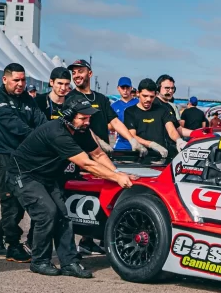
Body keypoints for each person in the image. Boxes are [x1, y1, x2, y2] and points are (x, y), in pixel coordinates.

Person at [8, 99, 136, 278]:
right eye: (83, 118)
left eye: (89, 118)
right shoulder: (57, 133)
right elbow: (87, 163)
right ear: (68, 117)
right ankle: (39, 261)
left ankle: (69, 263)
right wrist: (116, 178)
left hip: (47, 176)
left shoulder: (81, 130)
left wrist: (118, 173)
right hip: (23, 175)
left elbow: (97, 154)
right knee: (47, 213)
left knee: (63, 215)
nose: (87, 122)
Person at [66, 59, 146, 255]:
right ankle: (75, 242)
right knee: (79, 197)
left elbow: (114, 121)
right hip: (81, 155)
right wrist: (98, 143)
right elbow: (79, 126)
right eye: (74, 72)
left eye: (80, 71)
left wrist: (132, 140)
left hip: (100, 155)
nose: (76, 75)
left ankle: (91, 239)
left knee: (104, 192)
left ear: (90, 74)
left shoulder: (100, 98)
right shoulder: (72, 98)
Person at [0, 63, 46, 261]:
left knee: (21, 199)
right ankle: (13, 245)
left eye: (23, 80)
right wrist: (41, 139)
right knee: (10, 199)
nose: (20, 84)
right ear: (5, 79)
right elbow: (15, 127)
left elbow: (40, 121)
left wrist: (51, 134)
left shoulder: (28, 100)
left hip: (23, 156)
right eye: (16, 80)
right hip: (2, 154)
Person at [124, 79, 186, 158]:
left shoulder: (162, 110)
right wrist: (151, 144)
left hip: (162, 155)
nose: (148, 99)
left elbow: (171, 130)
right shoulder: (130, 112)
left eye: (151, 96)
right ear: (138, 93)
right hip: (140, 155)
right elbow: (132, 135)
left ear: (156, 94)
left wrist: (179, 140)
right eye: (145, 96)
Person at [111, 76, 139, 151]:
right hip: (121, 144)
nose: (125, 90)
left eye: (127, 88)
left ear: (131, 88)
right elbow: (108, 125)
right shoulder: (114, 106)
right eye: (123, 88)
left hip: (138, 142)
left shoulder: (138, 103)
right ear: (118, 88)